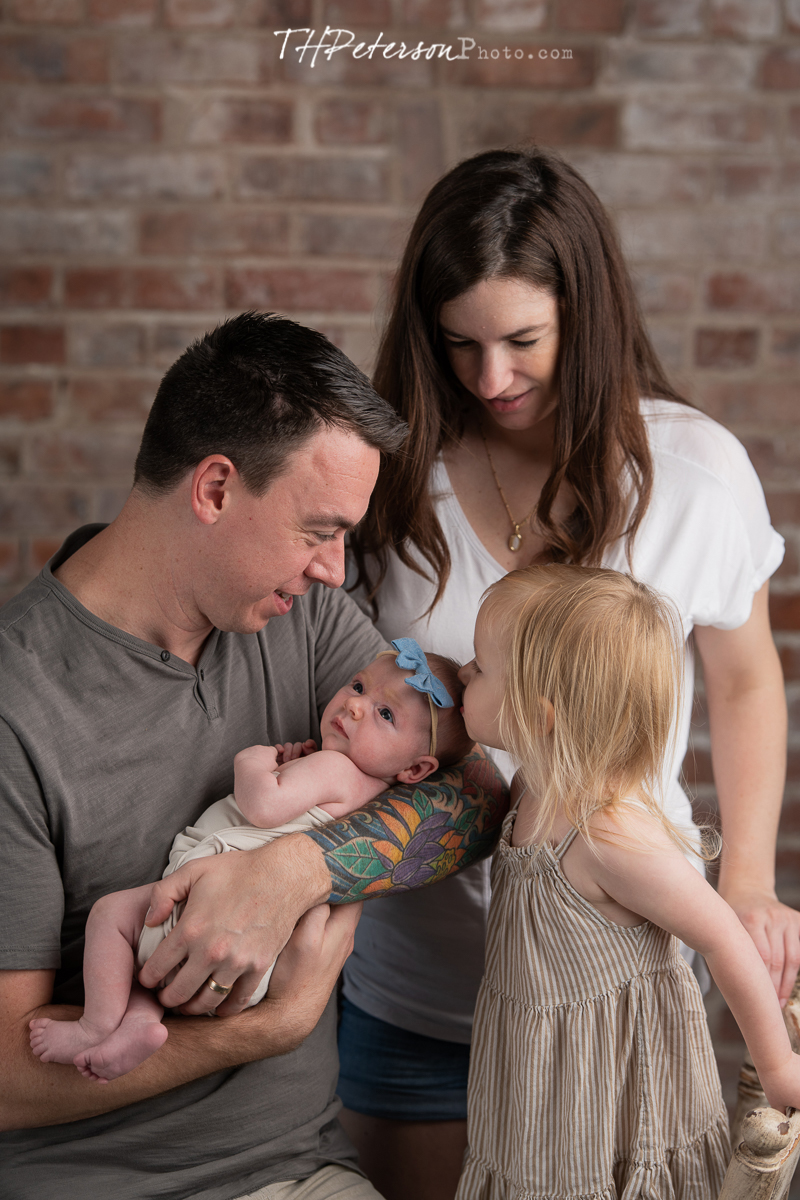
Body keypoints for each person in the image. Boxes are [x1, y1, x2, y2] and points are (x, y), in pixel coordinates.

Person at [340, 147, 791, 1200]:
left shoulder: (693, 475)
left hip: (613, 1007)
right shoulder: (388, 477)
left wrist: (749, 883)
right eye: (459, 344)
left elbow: (743, 682)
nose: (490, 379)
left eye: (522, 342)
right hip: (419, 990)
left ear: (583, 318)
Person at [0, 312, 506, 1200]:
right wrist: (266, 1028)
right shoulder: (18, 705)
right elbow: (4, 1077)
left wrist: (297, 871)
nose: (334, 568)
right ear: (215, 489)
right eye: (318, 530)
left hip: (303, 1171)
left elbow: (477, 797)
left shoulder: (300, 622)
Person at [455, 563, 800, 1200]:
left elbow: (723, 937)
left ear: (538, 712)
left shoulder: (607, 833)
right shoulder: (531, 788)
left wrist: (778, 1066)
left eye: (478, 668)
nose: (460, 675)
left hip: (612, 1089)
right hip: (537, 1080)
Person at [29, 642, 471, 1084]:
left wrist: (253, 762)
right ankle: (140, 1023)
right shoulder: (373, 797)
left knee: (111, 916)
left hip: (208, 905)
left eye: (385, 714)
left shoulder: (336, 768)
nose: (355, 705)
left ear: (416, 770)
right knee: (155, 966)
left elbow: (263, 805)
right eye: (358, 686)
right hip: (252, 964)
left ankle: (94, 1026)